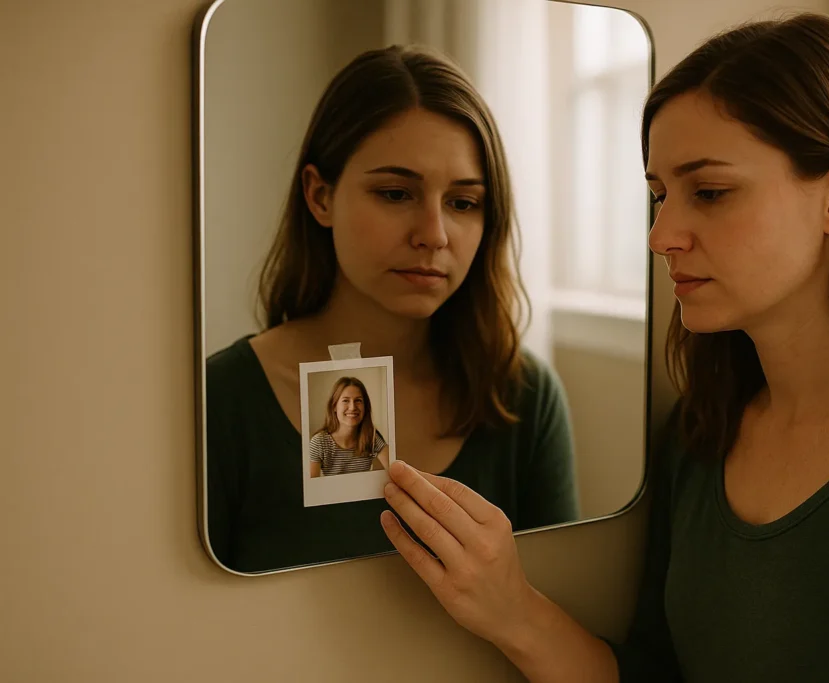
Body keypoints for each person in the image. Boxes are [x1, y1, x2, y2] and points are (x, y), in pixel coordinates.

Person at [379, 12, 829, 682]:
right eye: (659, 196)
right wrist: (510, 608)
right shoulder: (702, 430)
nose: (662, 235)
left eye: (709, 192)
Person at [205, 45, 580, 574]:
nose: (433, 234)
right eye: (396, 193)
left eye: (463, 202)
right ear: (320, 196)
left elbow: (560, 604)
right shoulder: (223, 400)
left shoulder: (524, 396)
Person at [309, 376, 388, 477]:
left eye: (358, 401)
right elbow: (312, 489)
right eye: (346, 400)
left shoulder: (371, 437)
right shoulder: (319, 442)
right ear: (334, 406)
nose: (352, 407)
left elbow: (396, 471)